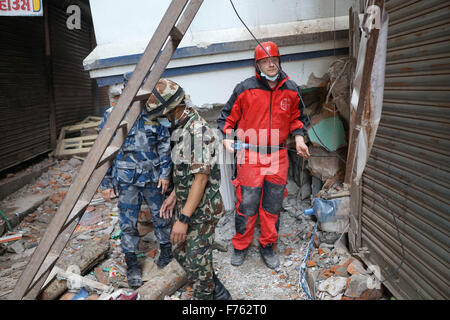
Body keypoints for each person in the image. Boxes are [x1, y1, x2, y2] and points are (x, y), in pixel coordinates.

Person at [217, 41, 310, 270]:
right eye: (265, 61)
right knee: (247, 204)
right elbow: (226, 118)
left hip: (278, 156)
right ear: (256, 64)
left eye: (274, 60)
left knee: (272, 205)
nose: (271, 65)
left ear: (280, 61)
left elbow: (297, 119)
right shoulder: (244, 89)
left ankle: (268, 246)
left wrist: (299, 138)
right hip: (250, 155)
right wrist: (227, 137)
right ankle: (240, 245)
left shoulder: (291, 89)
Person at [148, 79, 231, 300]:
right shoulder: (182, 128)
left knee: (196, 259)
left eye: (164, 116)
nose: (163, 121)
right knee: (180, 250)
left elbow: (201, 179)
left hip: (202, 209)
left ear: (174, 110)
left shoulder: (197, 132)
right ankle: (214, 287)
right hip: (186, 202)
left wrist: (183, 220)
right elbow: (187, 171)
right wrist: (174, 195)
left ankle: (211, 297)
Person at [99, 78, 177, 289]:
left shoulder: (155, 112)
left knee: (162, 214)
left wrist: (165, 173)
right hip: (126, 180)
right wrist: (105, 183)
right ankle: (132, 263)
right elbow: (103, 151)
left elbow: (164, 146)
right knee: (128, 222)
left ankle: (166, 251)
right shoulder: (112, 115)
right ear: (125, 89)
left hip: (153, 178)